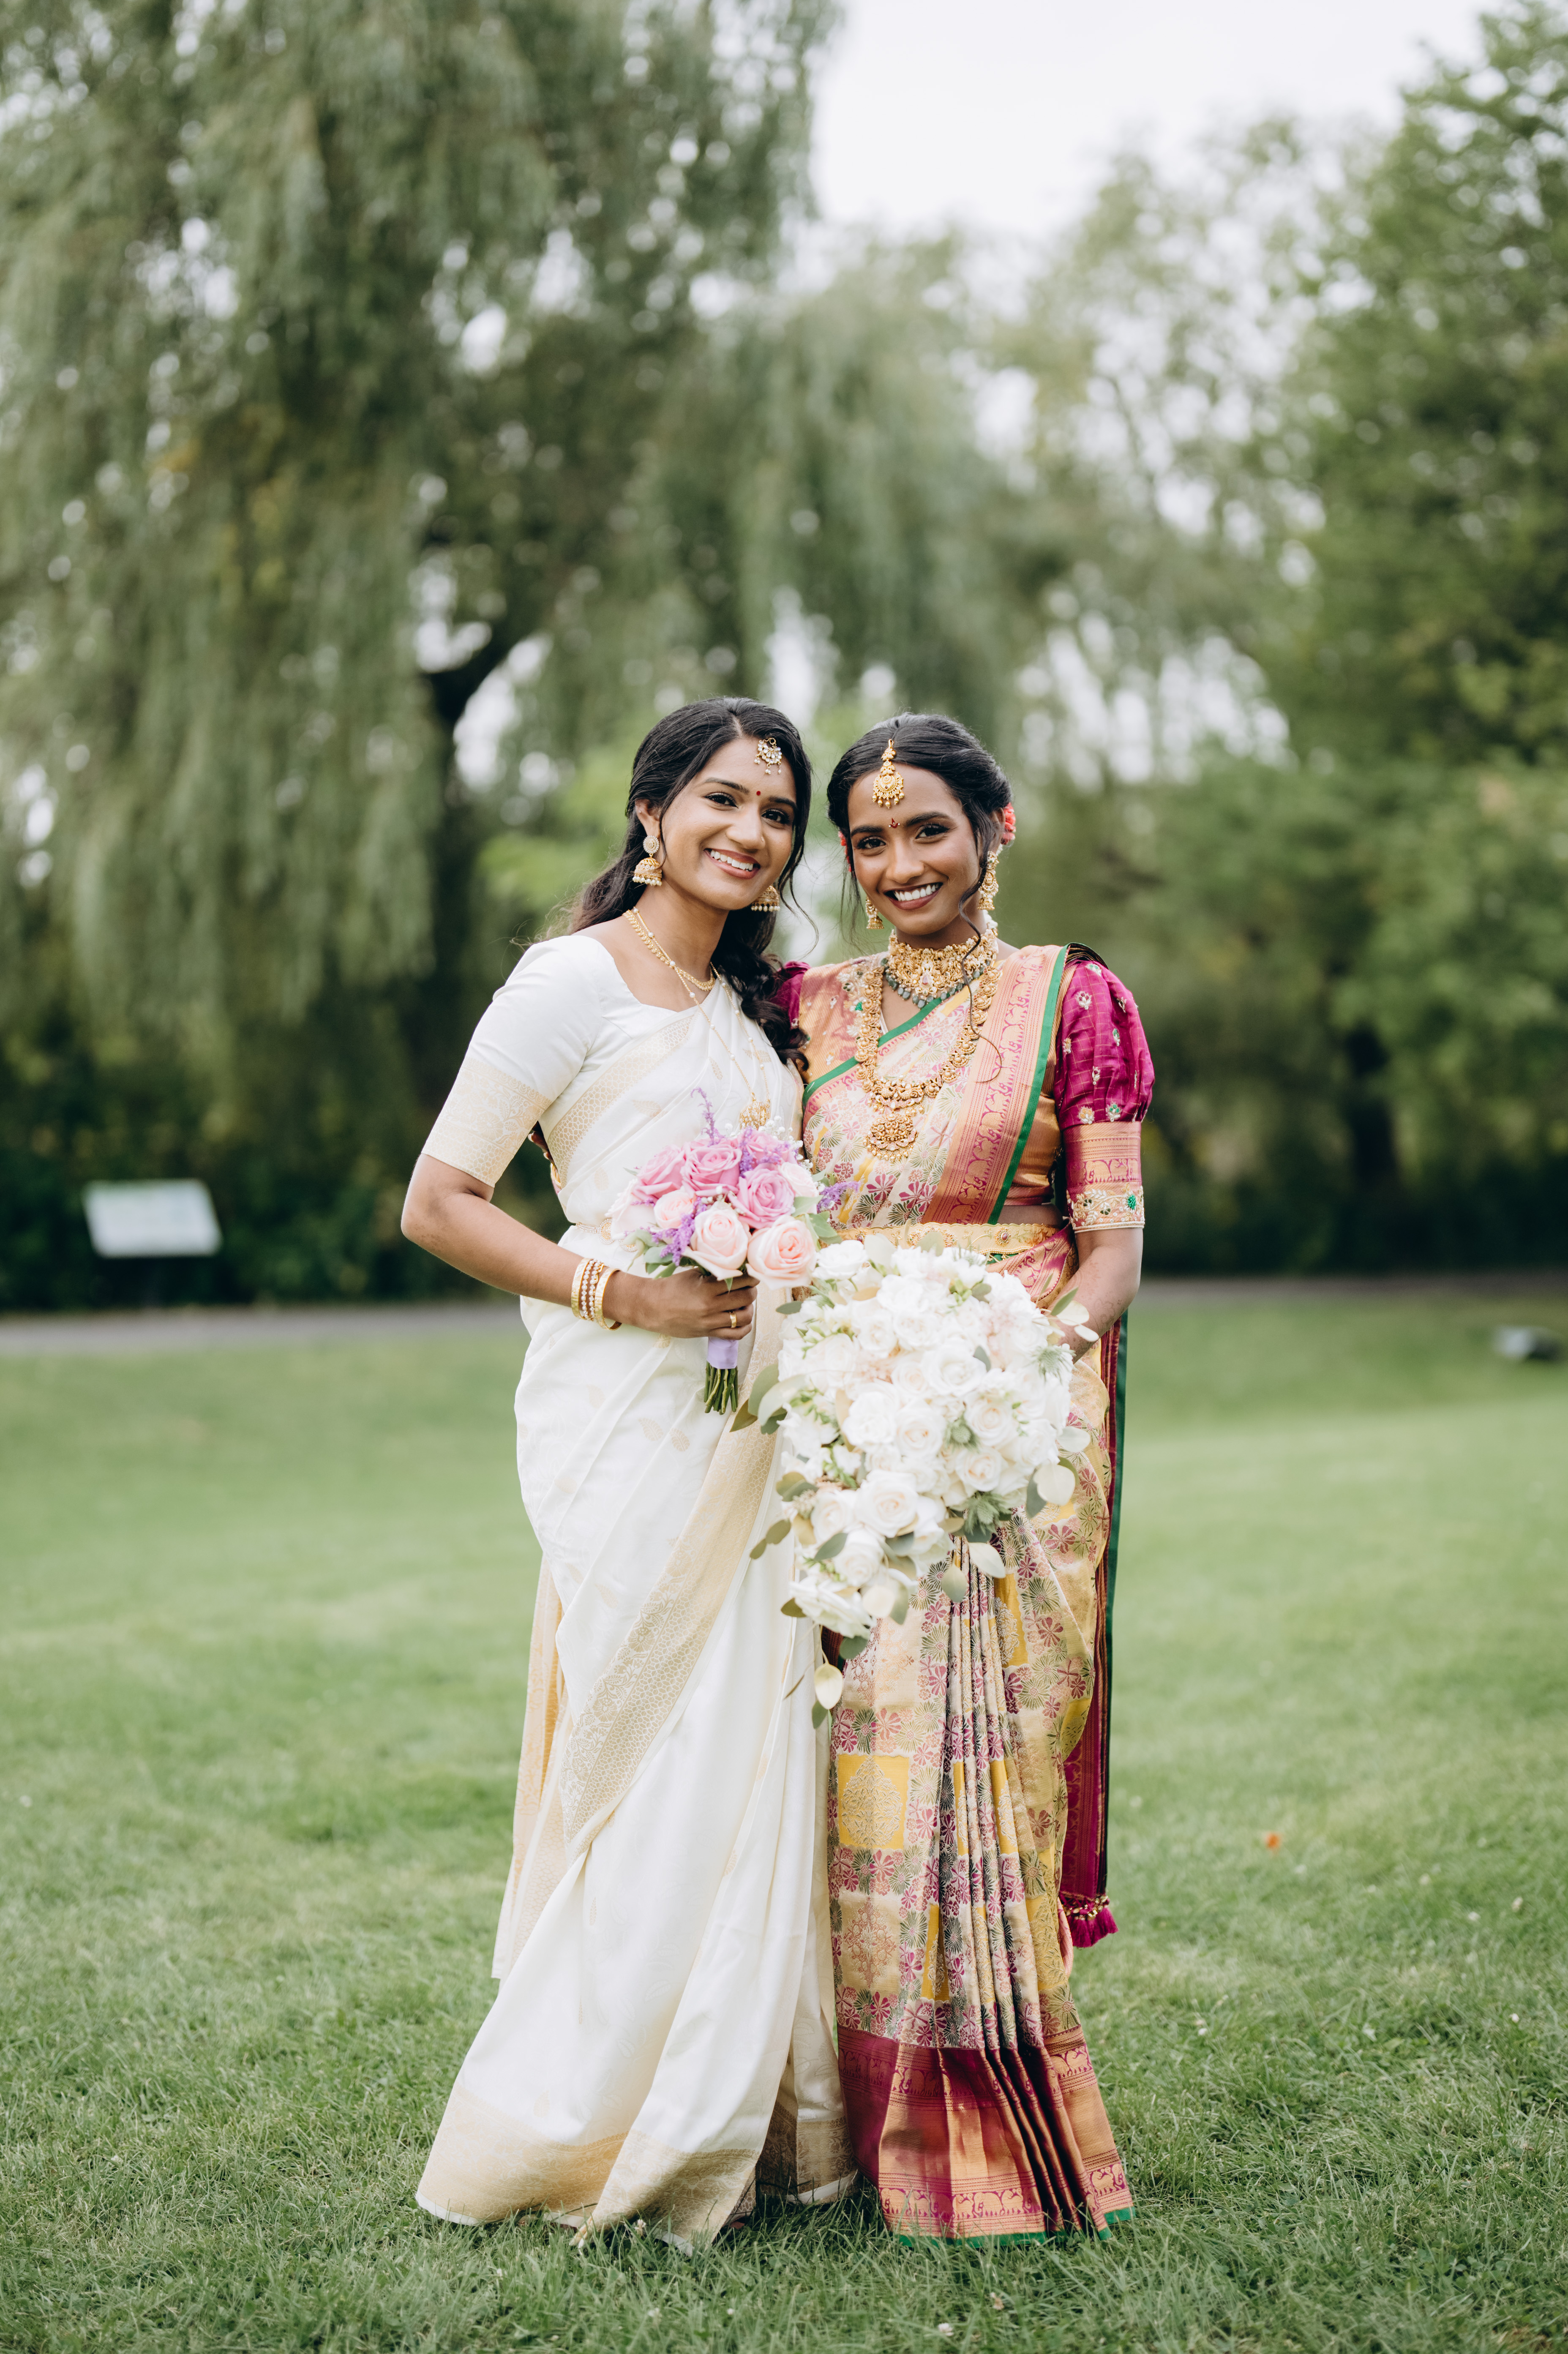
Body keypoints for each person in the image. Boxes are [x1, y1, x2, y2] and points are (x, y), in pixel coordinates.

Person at [401, 698, 851, 2249]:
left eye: (777, 812)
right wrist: (628, 1295)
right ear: (651, 813)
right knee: (657, 1736)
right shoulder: (567, 982)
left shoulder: (754, 1007)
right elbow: (440, 1201)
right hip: (621, 1401)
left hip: (755, 1408)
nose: (752, 831)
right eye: (722, 798)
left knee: (751, 1734)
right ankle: (583, 2112)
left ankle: (741, 2108)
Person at [783, 714, 1149, 2243]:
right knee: (852, 1754)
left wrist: (1003, 1379)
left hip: (1016, 1425)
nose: (899, 864)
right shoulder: (804, 1006)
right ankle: (832, 2119)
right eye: (869, 839)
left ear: (997, 828)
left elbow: (1111, 1249)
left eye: (927, 828)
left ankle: (991, 2115)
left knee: (982, 1757)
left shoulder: (1074, 998)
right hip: (842, 1435)